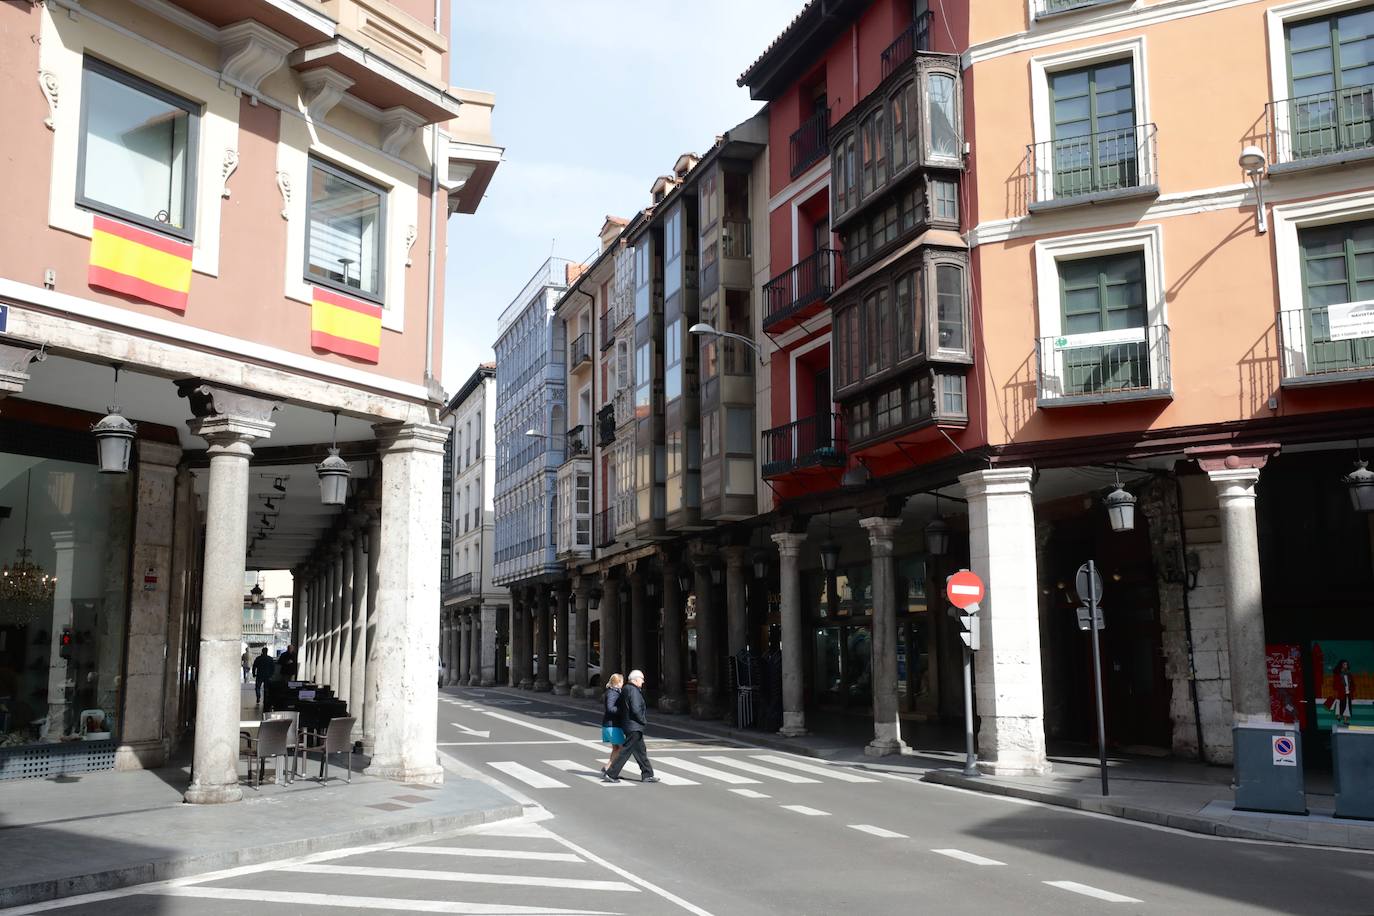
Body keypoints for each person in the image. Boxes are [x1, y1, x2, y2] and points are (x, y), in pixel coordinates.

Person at [603, 669, 657, 783]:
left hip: (629, 725)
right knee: (625, 751)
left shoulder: (627, 689)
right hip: (634, 725)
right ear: (636, 679)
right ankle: (611, 774)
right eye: (642, 679)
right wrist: (642, 720)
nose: (643, 681)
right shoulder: (634, 691)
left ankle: (647, 774)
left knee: (641, 751)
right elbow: (636, 709)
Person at [600, 673, 625, 775]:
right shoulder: (613, 693)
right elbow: (610, 708)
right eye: (622, 681)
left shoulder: (612, 692)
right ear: (618, 682)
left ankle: (608, 768)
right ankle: (609, 768)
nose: (623, 683)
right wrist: (623, 710)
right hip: (613, 725)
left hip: (610, 724)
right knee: (622, 748)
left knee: (616, 748)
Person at [1333, 659, 1355, 726]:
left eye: (1346, 664)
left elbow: (1353, 684)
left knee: (1347, 707)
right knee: (1340, 706)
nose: (1346, 666)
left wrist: (1351, 689)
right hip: (1341, 693)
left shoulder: (1349, 674)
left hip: (1348, 693)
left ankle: (1345, 720)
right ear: (1341, 665)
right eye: (1344, 664)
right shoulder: (1338, 674)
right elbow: (1335, 685)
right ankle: (1338, 716)